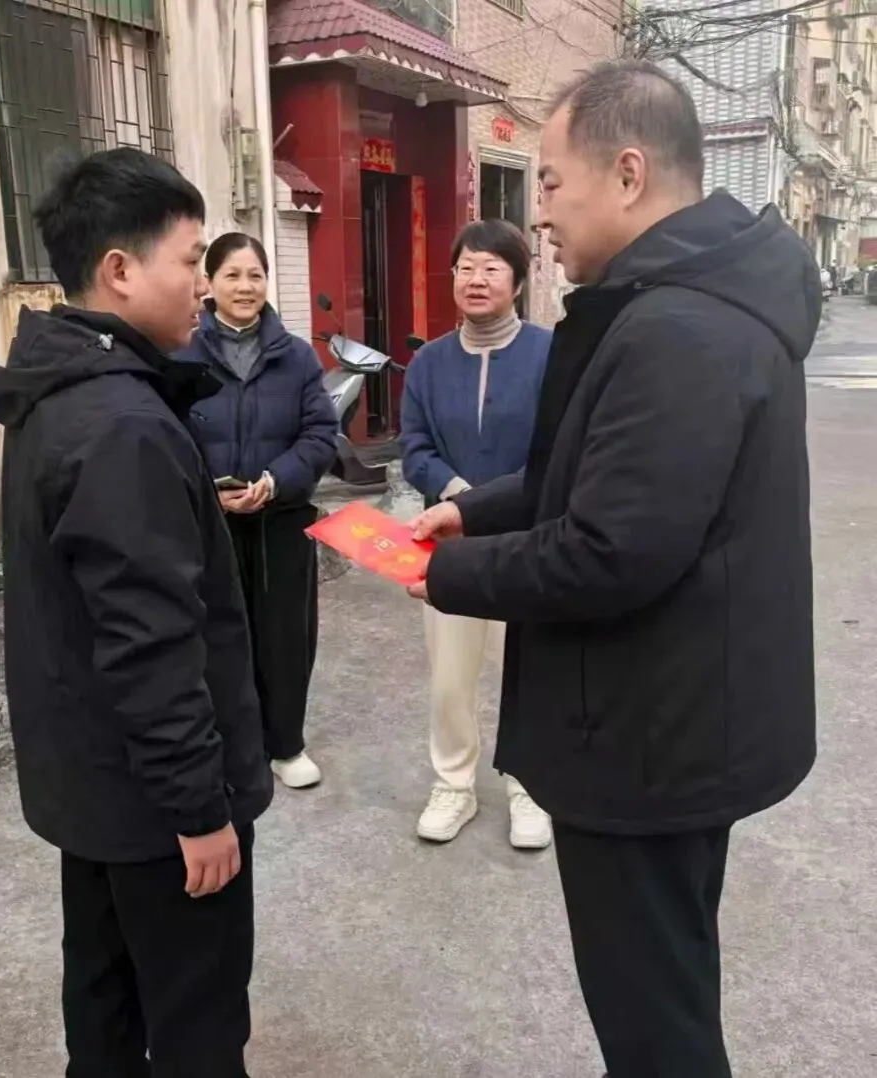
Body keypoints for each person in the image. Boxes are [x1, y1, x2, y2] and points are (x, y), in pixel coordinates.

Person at [409, 60, 819, 1077]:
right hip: (676, 719)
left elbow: (610, 549)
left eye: (550, 181)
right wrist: (473, 511)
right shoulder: (679, 304)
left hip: (650, 740)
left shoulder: (680, 328)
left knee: (654, 1031)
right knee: (668, 988)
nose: (539, 213)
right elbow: (592, 475)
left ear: (628, 173)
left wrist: (451, 576)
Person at [0, 149, 272, 1077]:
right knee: (195, 1029)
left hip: (96, 788)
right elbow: (151, 645)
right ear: (119, 270)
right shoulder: (121, 426)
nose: (204, 285)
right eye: (189, 261)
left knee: (103, 1009)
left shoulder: (61, 393)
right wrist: (200, 808)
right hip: (156, 810)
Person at [400, 218, 553, 848]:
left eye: (492, 267)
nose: (476, 279)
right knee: (450, 674)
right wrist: (459, 497)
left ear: (517, 280)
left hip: (528, 540)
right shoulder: (429, 363)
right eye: (465, 267)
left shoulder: (550, 355)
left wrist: (488, 506)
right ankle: (454, 784)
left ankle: (530, 786)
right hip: (449, 544)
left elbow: (555, 454)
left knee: (529, 667)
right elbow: (415, 448)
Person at [180, 233, 338, 790]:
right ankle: (229, 746)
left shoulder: (295, 356)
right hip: (209, 523)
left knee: (285, 637)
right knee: (217, 636)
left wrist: (275, 481)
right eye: (232, 275)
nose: (245, 287)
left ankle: (285, 745)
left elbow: (321, 433)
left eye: (255, 275)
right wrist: (206, 490)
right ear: (210, 283)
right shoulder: (183, 352)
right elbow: (167, 435)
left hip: (281, 521)